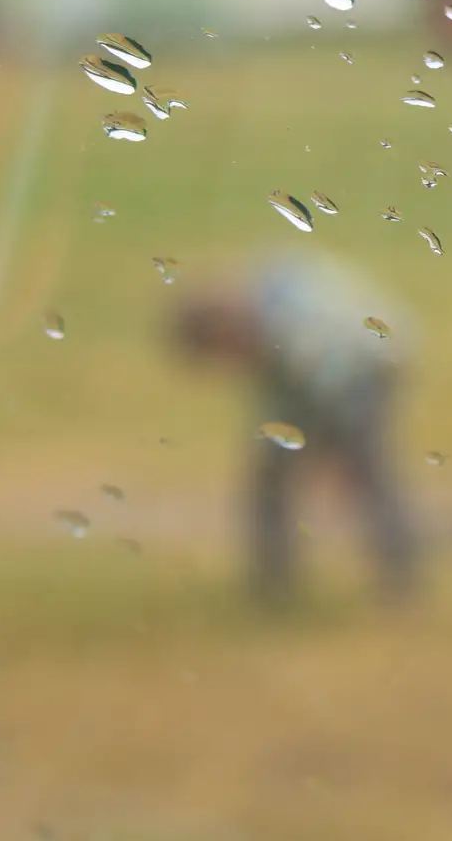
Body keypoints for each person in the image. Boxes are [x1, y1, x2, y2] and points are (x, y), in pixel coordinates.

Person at [170, 248, 418, 606]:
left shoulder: (295, 329)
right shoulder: (262, 313)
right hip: (342, 367)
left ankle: (400, 582)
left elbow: (331, 390)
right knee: (272, 482)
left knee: (365, 475)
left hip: (368, 367)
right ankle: (274, 585)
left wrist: (330, 449)